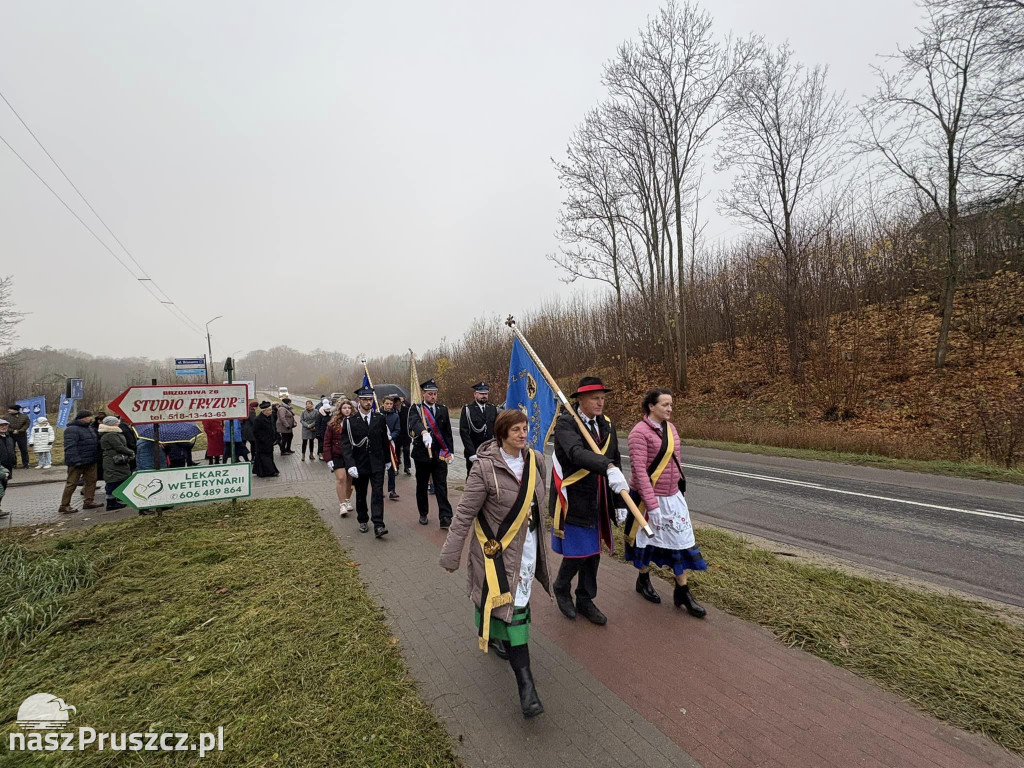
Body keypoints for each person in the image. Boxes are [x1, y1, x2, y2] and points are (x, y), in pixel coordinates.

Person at [439, 408, 549, 718]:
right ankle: (526, 686)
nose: (522, 434)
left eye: (525, 428)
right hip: (496, 554)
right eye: (516, 430)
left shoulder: (536, 460)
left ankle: (499, 637)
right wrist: (451, 554)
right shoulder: (484, 469)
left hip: (527, 552)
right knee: (512, 611)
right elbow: (463, 514)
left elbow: (542, 501)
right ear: (501, 434)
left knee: (513, 605)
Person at [549, 377, 628, 625]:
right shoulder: (566, 424)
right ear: (580, 400)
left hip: (600, 499)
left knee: (593, 552)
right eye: (595, 398)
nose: (600, 402)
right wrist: (607, 466)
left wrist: (619, 502)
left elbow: (615, 459)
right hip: (574, 498)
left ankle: (585, 598)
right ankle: (562, 586)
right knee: (579, 551)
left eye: (603, 397)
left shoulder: (606, 425)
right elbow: (575, 453)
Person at [625, 389, 708, 617]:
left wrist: (679, 490)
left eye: (671, 404)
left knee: (680, 543)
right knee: (647, 543)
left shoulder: (670, 429)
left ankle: (682, 591)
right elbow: (640, 472)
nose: (670, 408)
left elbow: (676, 462)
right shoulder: (638, 433)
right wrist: (652, 505)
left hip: (672, 497)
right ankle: (643, 580)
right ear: (651, 407)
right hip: (647, 498)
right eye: (665, 404)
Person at [340, 386, 391, 537]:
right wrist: (350, 465)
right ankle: (362, 519)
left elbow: (384, 441)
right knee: (361, 494)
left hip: (377, 463)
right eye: (365, 399)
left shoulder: (379, 418)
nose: (368, 402)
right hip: (360, 464)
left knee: (377, 494)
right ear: (358, 401)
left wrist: (387, 460)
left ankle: (378, 525)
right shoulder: (350, 422)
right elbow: (346, 445)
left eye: (370, 399)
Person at [408, 379, 455, 528]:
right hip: (422, 454)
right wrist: (423, 432)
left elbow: (447, 433)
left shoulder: (442, 409)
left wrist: (450, 451)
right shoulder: (416, 408)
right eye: (430, 394)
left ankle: (445, 516)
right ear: (423, 394)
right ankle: (423, 513)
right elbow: (414, 422)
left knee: (441, 485)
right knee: (422, 485)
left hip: (440, 454)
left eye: (435, 394)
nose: (433, 397)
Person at [59, 410, 104, 514]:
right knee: (72, 483)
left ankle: (89, 501)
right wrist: (76, 460)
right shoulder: (71, 430)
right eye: (89, 417)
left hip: (91, 460)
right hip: (77, 462)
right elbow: (70, 446)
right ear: (82, 418)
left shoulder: (89, 428)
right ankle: (64, 505)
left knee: (91, 481)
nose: (91, 419)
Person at [323, 400, 355, 515]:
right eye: (344, 408)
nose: (347, 410)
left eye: (349, 408)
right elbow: (326, 442)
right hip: (337, 455)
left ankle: (347, 499)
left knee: (350, 479)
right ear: (340, 410)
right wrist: (328, 458)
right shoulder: (333, 424)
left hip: (351, 455)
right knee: (341, 478)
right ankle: (342, 504)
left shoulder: (355, 422)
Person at [459, 382, 498, 474]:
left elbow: (496, 430)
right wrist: (472, 453)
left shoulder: (492, 408)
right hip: (474, 450)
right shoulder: (468, 409)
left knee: (489, 476)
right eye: (481, 393)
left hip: (488, 451)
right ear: (475, 394)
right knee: (473, 476)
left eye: (486, 393)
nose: (484, 396)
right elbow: (464, 433)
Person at [98, 415, 135, 511]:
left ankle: (114, 499)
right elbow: (119, 446)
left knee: (118, 478)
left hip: (115, 459)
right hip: (113, 460)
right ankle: (111, 502)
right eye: (116, 422)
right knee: (113, 480)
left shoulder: (113, 433)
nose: (118, 423)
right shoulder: (111, 435)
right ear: (111, 424)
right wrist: (130, 452)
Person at [252, 402, 280, 477]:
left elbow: (273, 427)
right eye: (269, 410)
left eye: (271, 410)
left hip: (270, 441)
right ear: (264, 411)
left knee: (269, 456)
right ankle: (271, 471)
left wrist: (276, 436)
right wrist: (263, 439)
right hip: (262, 442)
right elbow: (255, 432)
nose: (271, 411)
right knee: (264, 457)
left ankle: (262, 471)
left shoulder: (270, 417)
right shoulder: (258, 419)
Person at [381, 396, 401, 500]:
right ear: (383, 403)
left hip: (391, 445)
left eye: (391, 404)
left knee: (392, 468)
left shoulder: (395, 416)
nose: (389, 406)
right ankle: (379, 490)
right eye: (387, 403)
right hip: (380, 445)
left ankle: (392, 490)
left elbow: (397, 430)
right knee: (380, 468)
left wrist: (391, 436)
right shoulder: (377, 414)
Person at [6, 405, 30, 469]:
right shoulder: (6, 417)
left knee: (23, 450)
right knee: (11, 450)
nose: (9, 410)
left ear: (15, 410)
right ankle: (13, 464)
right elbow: (4, 425)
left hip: (22, 435)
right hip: (11, 435)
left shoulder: (24, 416)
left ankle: (26, 464)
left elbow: (27, 425)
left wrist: (19, 431)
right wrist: (12, 430)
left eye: (10, 409)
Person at [0, 419, 16, 517]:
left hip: (8, 467)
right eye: (1, 425)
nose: (4, 427)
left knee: (3, 488)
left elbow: (12, 450)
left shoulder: (9, 438)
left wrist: (14, 460)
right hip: (0, 468)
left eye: (5, 425)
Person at [394, 395, 412, 475]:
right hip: (397, 435)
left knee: (406, 451)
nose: (396, 404)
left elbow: (411, 420)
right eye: (395, 403)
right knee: (397, 451)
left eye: (398, 402)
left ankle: (407, 467)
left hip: (406, 434)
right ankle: (396, 467)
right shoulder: (392, 411)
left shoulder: (407, 410)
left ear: (400, 402)